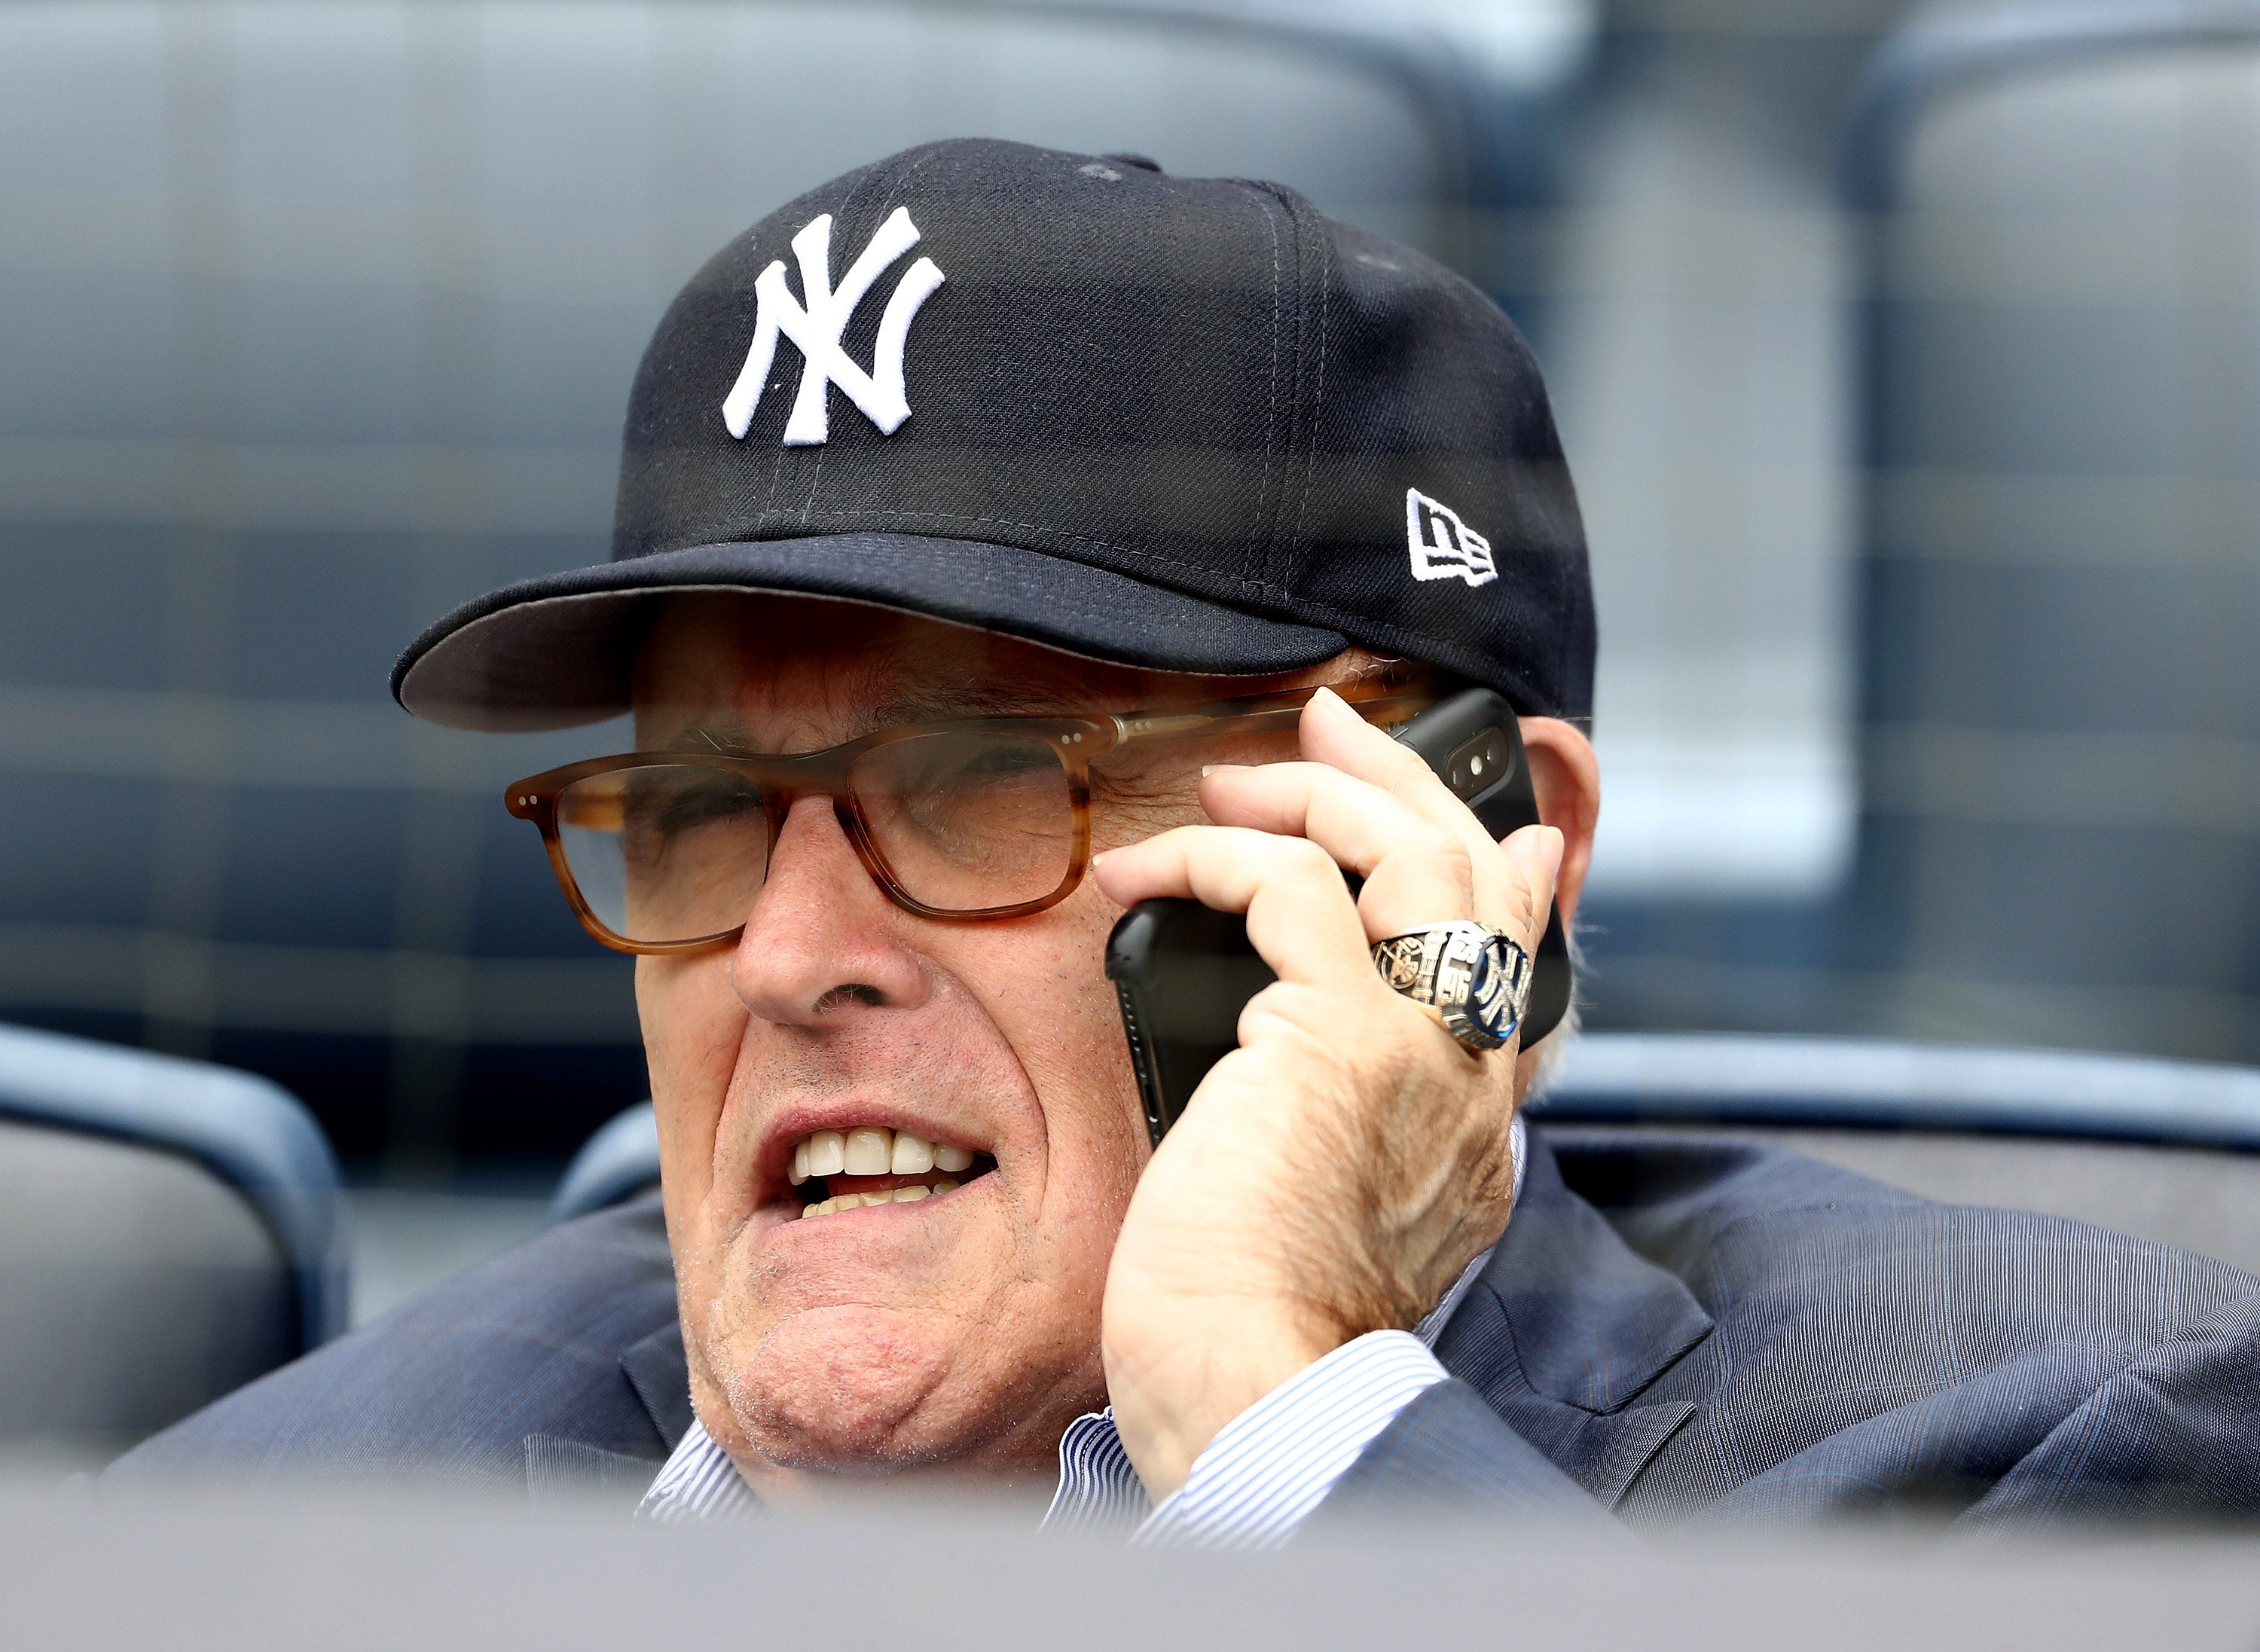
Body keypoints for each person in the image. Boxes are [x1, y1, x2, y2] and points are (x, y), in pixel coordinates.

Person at [110, 139, 2260, 1537]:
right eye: (691, 810)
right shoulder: (290, 1523)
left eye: (979, 782)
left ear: (1481, 853)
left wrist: (1280, 1409)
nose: (784, 954)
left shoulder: (2050, 1478)